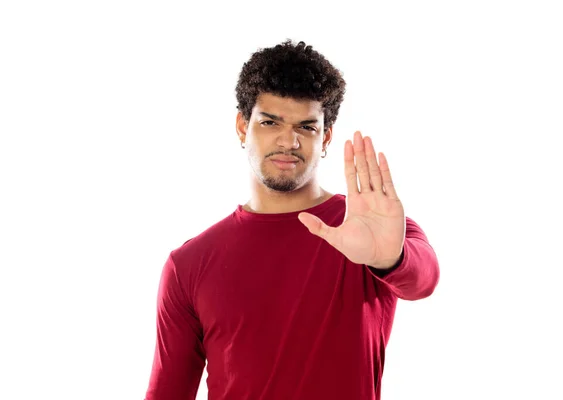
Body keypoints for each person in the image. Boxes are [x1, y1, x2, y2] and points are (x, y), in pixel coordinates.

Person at [144, 39, 440, 400]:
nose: (289, 141)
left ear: (325, 137)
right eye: (270, 122)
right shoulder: (188, 264)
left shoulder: (370, 227)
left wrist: (389, 260)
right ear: (242, 126)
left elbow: (423, 280)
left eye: (306, 127)